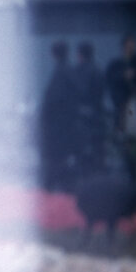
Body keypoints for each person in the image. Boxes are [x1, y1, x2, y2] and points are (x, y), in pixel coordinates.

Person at [105, 33, 136, 182]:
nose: (130, 46)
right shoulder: (116, 65)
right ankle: (131, 170)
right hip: (125, 108)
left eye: (132, 43)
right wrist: (123, 77)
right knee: (128, 139)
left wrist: (135, 77)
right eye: (128, 43)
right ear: (123, 46)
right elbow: (111, 82)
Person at [39, 41, 78, 191]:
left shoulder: (60, 73)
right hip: (67, 123)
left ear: (53, 54)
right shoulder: (70, 70)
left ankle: (52, 187)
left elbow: (53, 100)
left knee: (55, 159)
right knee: (61, 158)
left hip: (58, 125)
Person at [71, 41, 106, 176]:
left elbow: (77, 94)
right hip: (97, 115)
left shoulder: (76, 72)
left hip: (82, 118)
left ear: (79, 55)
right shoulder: (99, 71)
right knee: (98, 150)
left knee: (82, 152)